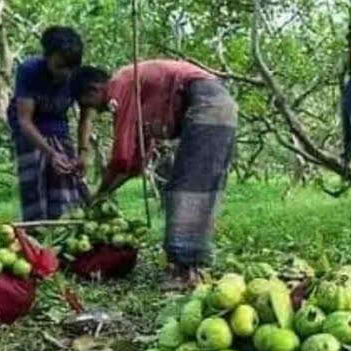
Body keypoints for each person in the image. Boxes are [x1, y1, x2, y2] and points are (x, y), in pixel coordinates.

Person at [74, 59, 238, 290]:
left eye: (88, 103)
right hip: (217, 102)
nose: (97, 111)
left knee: (189, 186)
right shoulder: (138, 91)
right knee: (192, 185)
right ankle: (188, 264)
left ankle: (185, 270)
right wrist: (106, 192)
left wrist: (99, 192)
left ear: (94, 89)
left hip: (205, 101)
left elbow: (121, 157)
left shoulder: (120, 84)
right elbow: (137, 162)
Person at [7, 26, 92, 221]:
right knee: (35, 188)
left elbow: (86, 116)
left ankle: (63, 235)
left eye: (71, 67)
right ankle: (36, 237)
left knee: (66, 184)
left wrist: (83, 152)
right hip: (29, 131)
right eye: (60, 66)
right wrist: (51, 153)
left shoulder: (78, 76)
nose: (66, 73)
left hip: (59, 128)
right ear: (47, 57)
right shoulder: (29, 70)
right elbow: (24, 121)